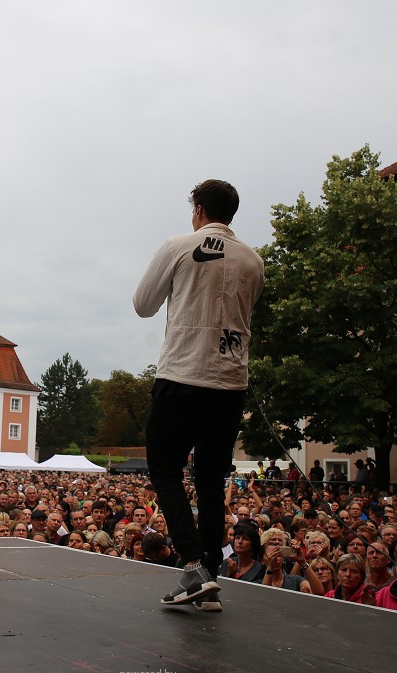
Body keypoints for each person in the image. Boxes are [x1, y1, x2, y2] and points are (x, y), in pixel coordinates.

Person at [133, 178, 264, 611]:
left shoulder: (179, 244)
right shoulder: (254, 260)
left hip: (184, 374)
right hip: (230, 383)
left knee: (165, 468)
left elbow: (143, 304)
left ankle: (190, 560)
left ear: (199, 210)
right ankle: (208, 578)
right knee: (210, 478)